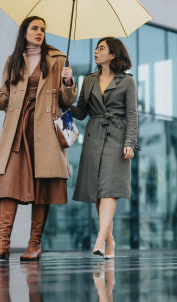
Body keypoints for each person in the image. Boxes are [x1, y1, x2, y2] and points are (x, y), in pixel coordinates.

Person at [0, 16, 76, 261]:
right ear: (24, 32)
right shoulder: (13, 61)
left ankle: (34, 244)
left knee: (42, 186)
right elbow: (4, 100)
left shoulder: (57, 59)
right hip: (17, 128)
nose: (40, 32)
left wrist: (68, 82)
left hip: (45, 130)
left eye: (43, 29)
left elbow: (68, 101)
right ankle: (3, 243)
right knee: (7, 183)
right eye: (35, 28)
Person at [71, 37, 139, 259]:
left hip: (117, 136)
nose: (96, 51)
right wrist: (64, 93)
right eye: (96, 48)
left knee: (109, 188)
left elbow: (132, 115)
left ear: (112, 55)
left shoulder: (127, 81)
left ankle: (100, 238)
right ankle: (110, 240)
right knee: (98, 192)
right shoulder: (89, 80)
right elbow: (81, 111)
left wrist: (130, 142)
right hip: (93, 136)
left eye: (101, 48)